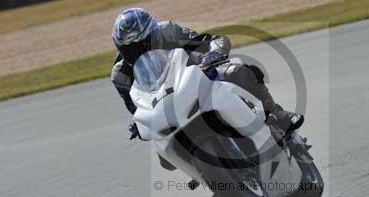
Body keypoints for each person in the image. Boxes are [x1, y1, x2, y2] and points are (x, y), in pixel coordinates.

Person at [110, 8, 304, 141]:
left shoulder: (169, 32)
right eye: (131, 49)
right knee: (161, 149)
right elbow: (136, 108)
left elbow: (211, 40)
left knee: (236, 71)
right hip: (167, 105)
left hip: (201, 78)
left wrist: (214, 53)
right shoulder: (121, 76)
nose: (139, 51)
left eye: (143, 43)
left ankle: (277, 114)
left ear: (153, 33)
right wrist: (138, 122)